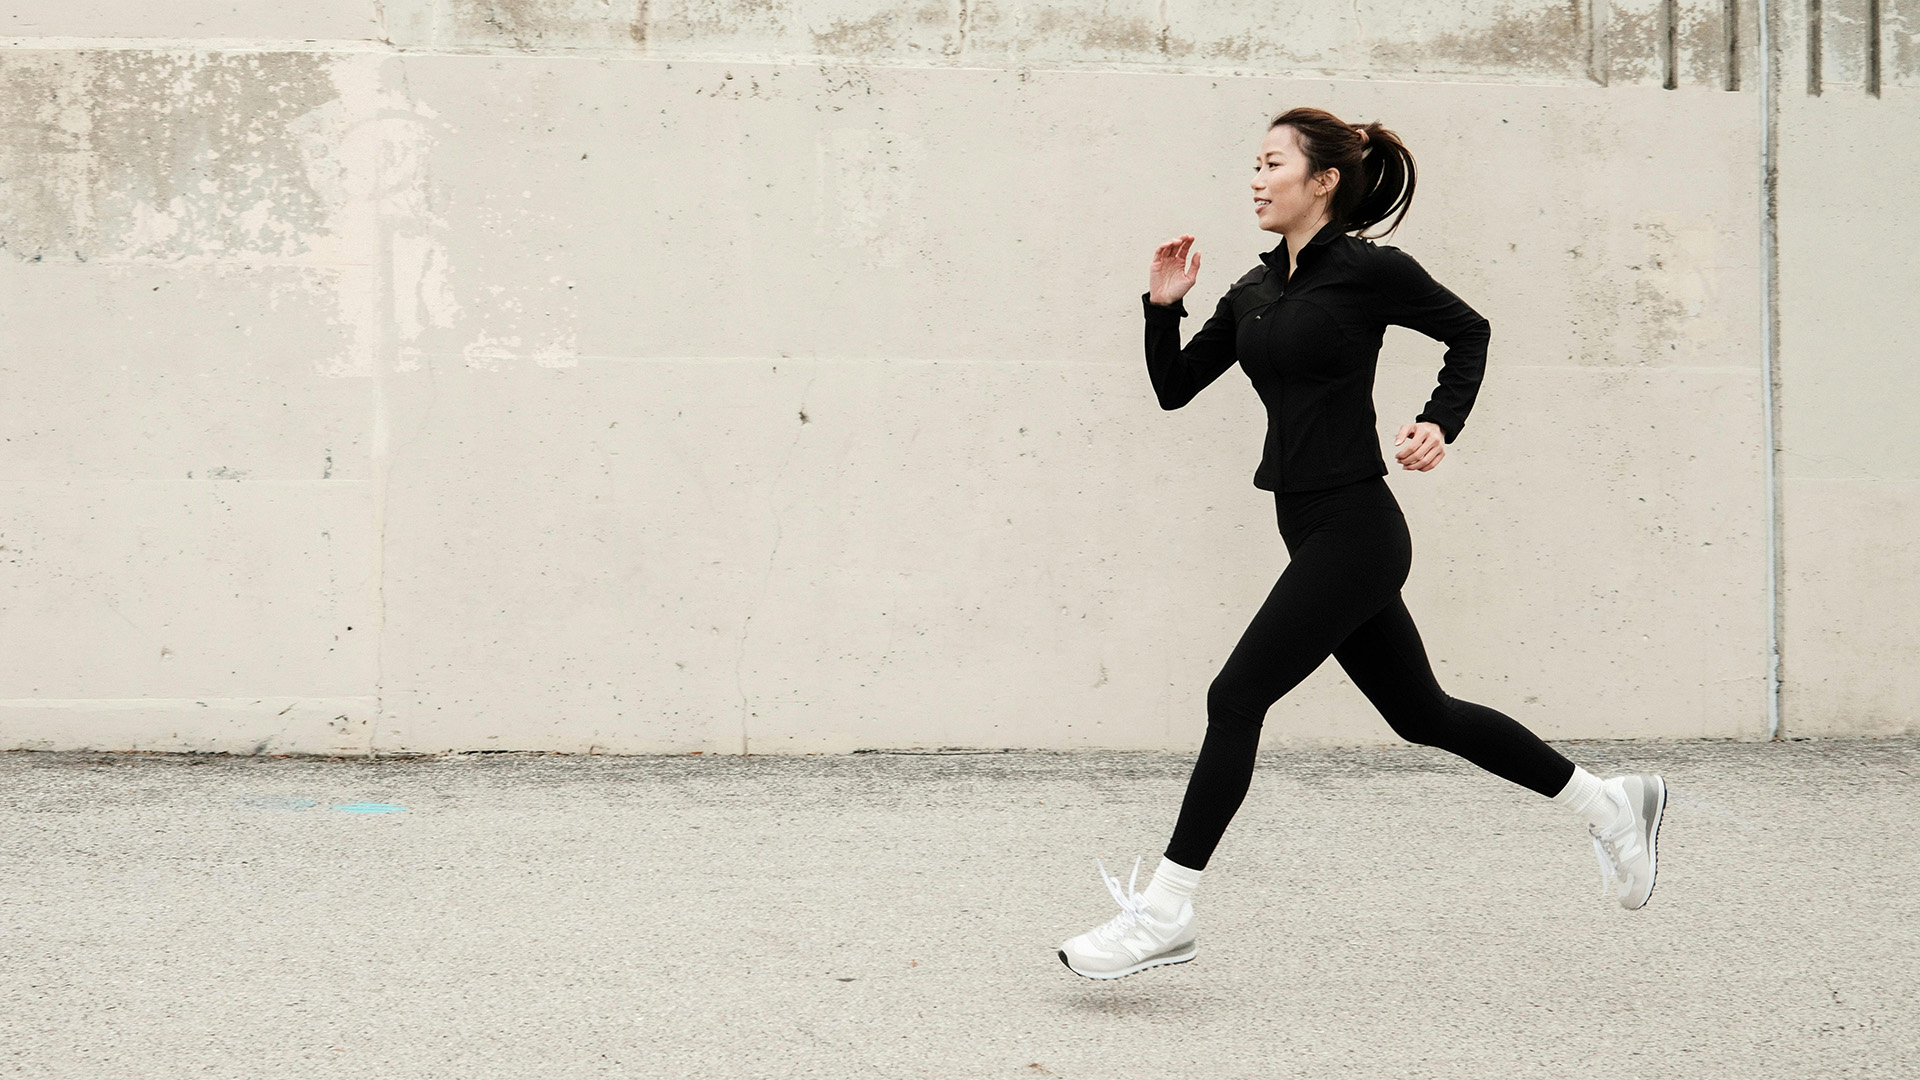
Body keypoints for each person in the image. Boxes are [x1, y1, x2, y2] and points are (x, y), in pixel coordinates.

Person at [1057, 107, 1667, 981]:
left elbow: (1470, 330)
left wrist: (1437, 422)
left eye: (1272, 163)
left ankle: (1165, 911)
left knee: (1234, 699)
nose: (1256, 179)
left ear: (1324, 181)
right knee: (1423, 715)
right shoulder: (1255, 291)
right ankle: (1610, 804)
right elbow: (1174, 388)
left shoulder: (1368, 273)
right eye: (1253, 164)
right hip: (1308, 528)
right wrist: (1163, 307)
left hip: (1358, 529)